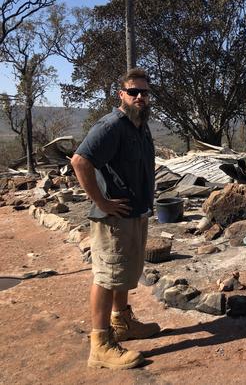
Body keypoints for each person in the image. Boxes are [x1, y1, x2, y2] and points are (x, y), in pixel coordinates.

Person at [71, 68, 160, 370]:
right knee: (107, 277)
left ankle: (121, 322)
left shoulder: (140, 125)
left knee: (124, 270)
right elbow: (80, 161)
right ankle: (100, 344)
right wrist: (102, 202)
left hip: (134, 212)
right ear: (120, 94)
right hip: (114, 218)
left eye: (144, 92)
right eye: (133, 91)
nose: (139, 96)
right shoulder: (112, 125)